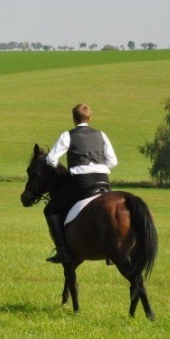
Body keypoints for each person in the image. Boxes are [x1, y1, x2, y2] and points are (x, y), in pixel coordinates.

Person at [43, 103, 118, 264]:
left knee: (50, 210)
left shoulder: (68, 135)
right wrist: (100, 167)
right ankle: (111, 251)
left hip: (82, 183)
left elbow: (50, 159)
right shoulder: (101, 135)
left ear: (73, 119)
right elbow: (113, 161)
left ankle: (62, 251)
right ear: (90, 118)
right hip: (104, 181)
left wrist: (61, 169)